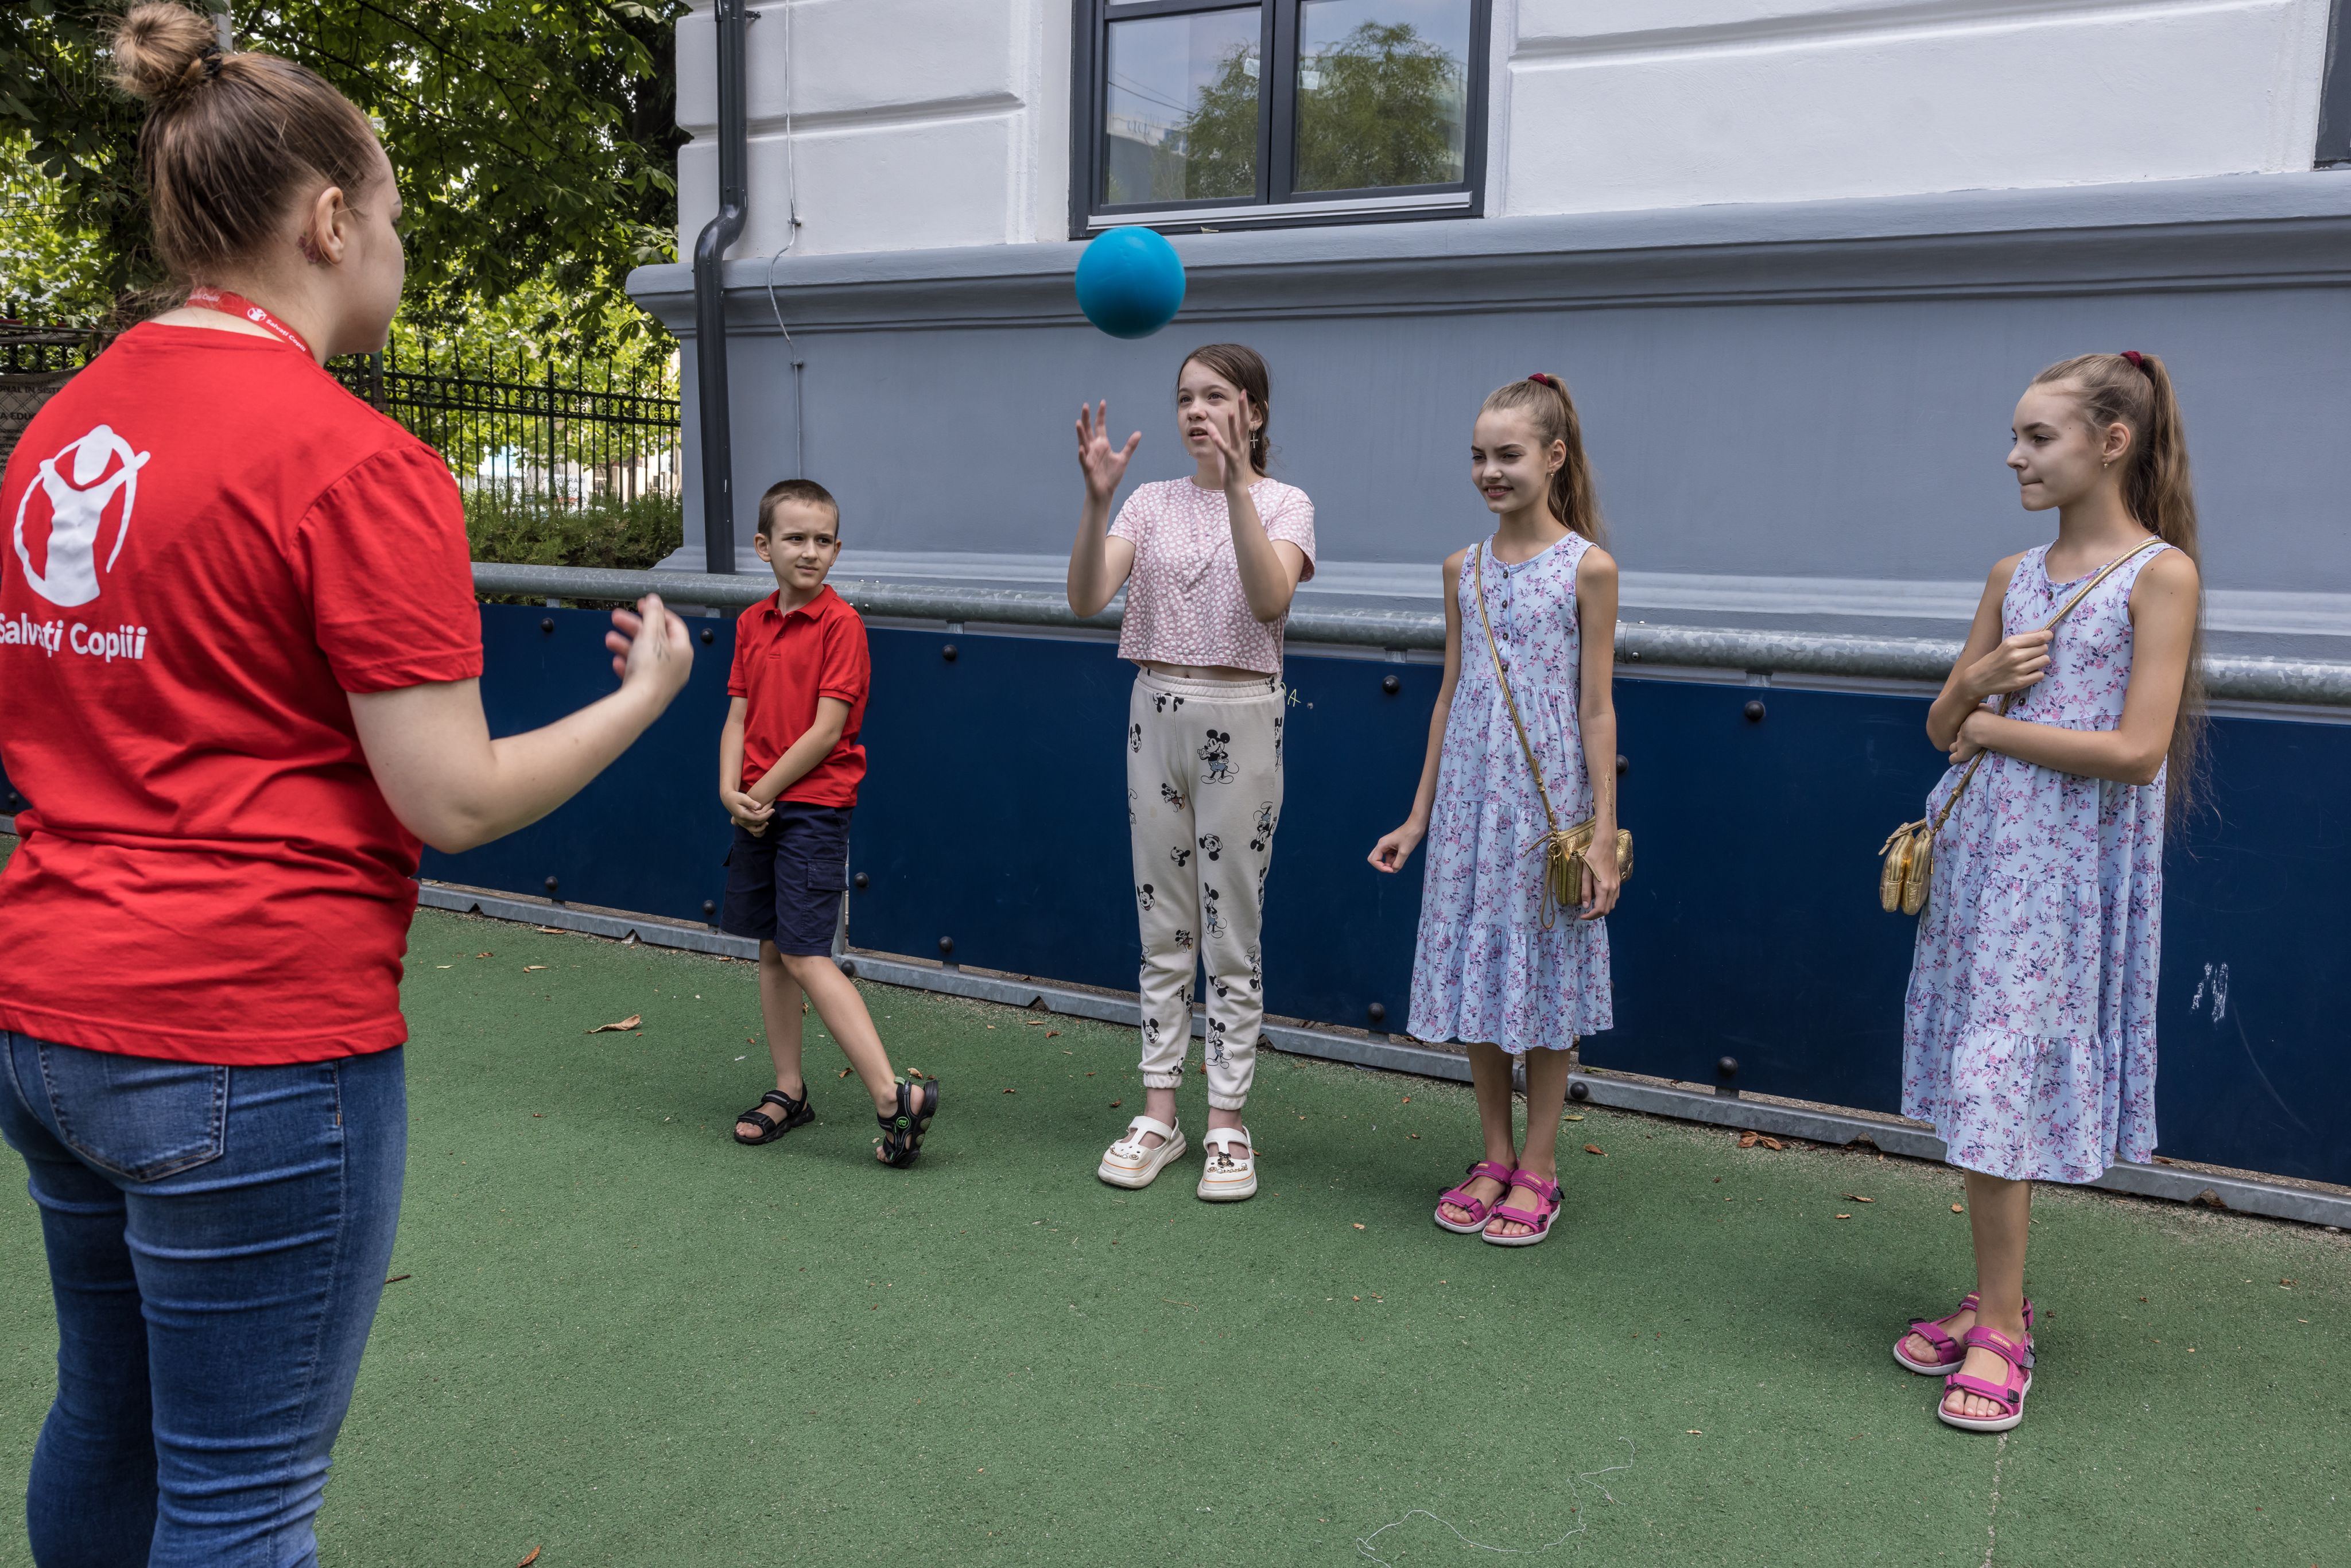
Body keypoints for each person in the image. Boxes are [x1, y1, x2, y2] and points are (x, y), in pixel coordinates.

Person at [0, 5, 695, 1562]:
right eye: (389, 218)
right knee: (240, 1503)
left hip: (48, 1016)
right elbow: (449, 797)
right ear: (327, 220)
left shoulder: (62, 430)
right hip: (246, 1037)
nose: (395, 248)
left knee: (106, 1417)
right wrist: (647, 697)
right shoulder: (351, 457)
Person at [1891, 351, 2203, 1433]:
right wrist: (1968, 690)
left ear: (2110, 443)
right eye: (2016, 436)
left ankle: (2005, 1332)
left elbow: (2135, 749)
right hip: (1983, 858)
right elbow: (1940, 729)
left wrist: (1988, 722)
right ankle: (1992, 1297)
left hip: (2064, 873)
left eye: (2037, 437)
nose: (2014, 455)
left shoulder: (2159, 574)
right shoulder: (2009, 575)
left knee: (2000, 1080)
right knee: (1984, 1074)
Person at [1370, 373, 1621, 1248]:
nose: (1489, 470)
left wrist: (1600, 837)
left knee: (1544, 986)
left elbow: (1598, 707)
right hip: (1474, 805)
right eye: (1478, 456)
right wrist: (1418, 816)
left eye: (1507, 454)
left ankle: (1541, 1165)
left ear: (1553, 457)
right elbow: (1448, 696)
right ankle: (1491, 1153)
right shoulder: (1461, 568)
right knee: (1480, 978)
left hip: (1545, 809)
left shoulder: (1589, 568)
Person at [1067, 344, 1315, 1202]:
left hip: (1242, 718)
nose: (1195, 412)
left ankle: (1228, 1120)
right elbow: (1086, 597)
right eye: (1184, 397)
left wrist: (1240, 488)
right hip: (1155, 708)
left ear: (1254, 409)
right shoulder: (1148, 501)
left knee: (1231, 928)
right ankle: (1160, 1111)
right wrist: (1098, 502)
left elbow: (1269, 601)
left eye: (1215, 396)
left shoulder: (1287, 504)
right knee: (1162, 922)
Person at [719, 480, 938, 1163]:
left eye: (822, 540)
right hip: (758, 805)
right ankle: (789, 1090)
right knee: (771, 948)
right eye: (794, 538)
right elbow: (737, 713)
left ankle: (890, 1095)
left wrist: (761, 792)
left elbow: (825, 732)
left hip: (811, 808)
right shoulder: (752, 623)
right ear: (764, 547)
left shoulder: (842, 625)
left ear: (836, 549)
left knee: (807, 951)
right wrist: (730, 790)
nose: (809, 551)